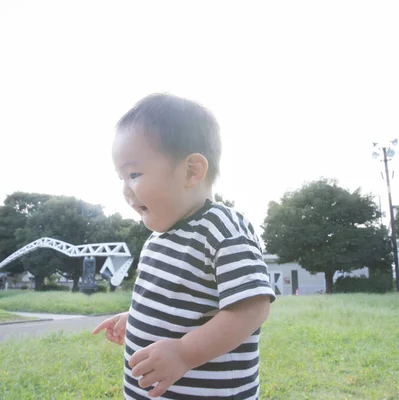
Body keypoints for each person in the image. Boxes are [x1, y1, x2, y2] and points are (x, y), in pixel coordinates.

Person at [93, 93, 276, 399]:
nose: (125, 190)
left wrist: (184, 352)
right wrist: (136, 319)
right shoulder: (157, 239)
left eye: (134, 174)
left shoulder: (222, 229)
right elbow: (174, 302)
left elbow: (252, 308)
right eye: (121, 177)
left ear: (192, 171)